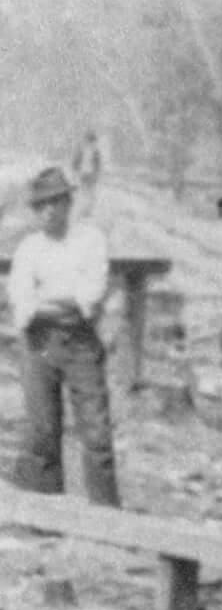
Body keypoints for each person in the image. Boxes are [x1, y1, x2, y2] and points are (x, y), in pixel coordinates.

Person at [9, 165, 118, 505]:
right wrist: (62, 301)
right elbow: (22, 303)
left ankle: (106, 516)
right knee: (42, 432)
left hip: (80, 343)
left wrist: (48, 300)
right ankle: (47, 512)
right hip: (39, 345)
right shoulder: (28, 248)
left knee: (96, 434)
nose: (49, 211)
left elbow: (90, 297)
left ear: (69, 203)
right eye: (41, 205)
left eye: (56, 202)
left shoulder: (90, 241)